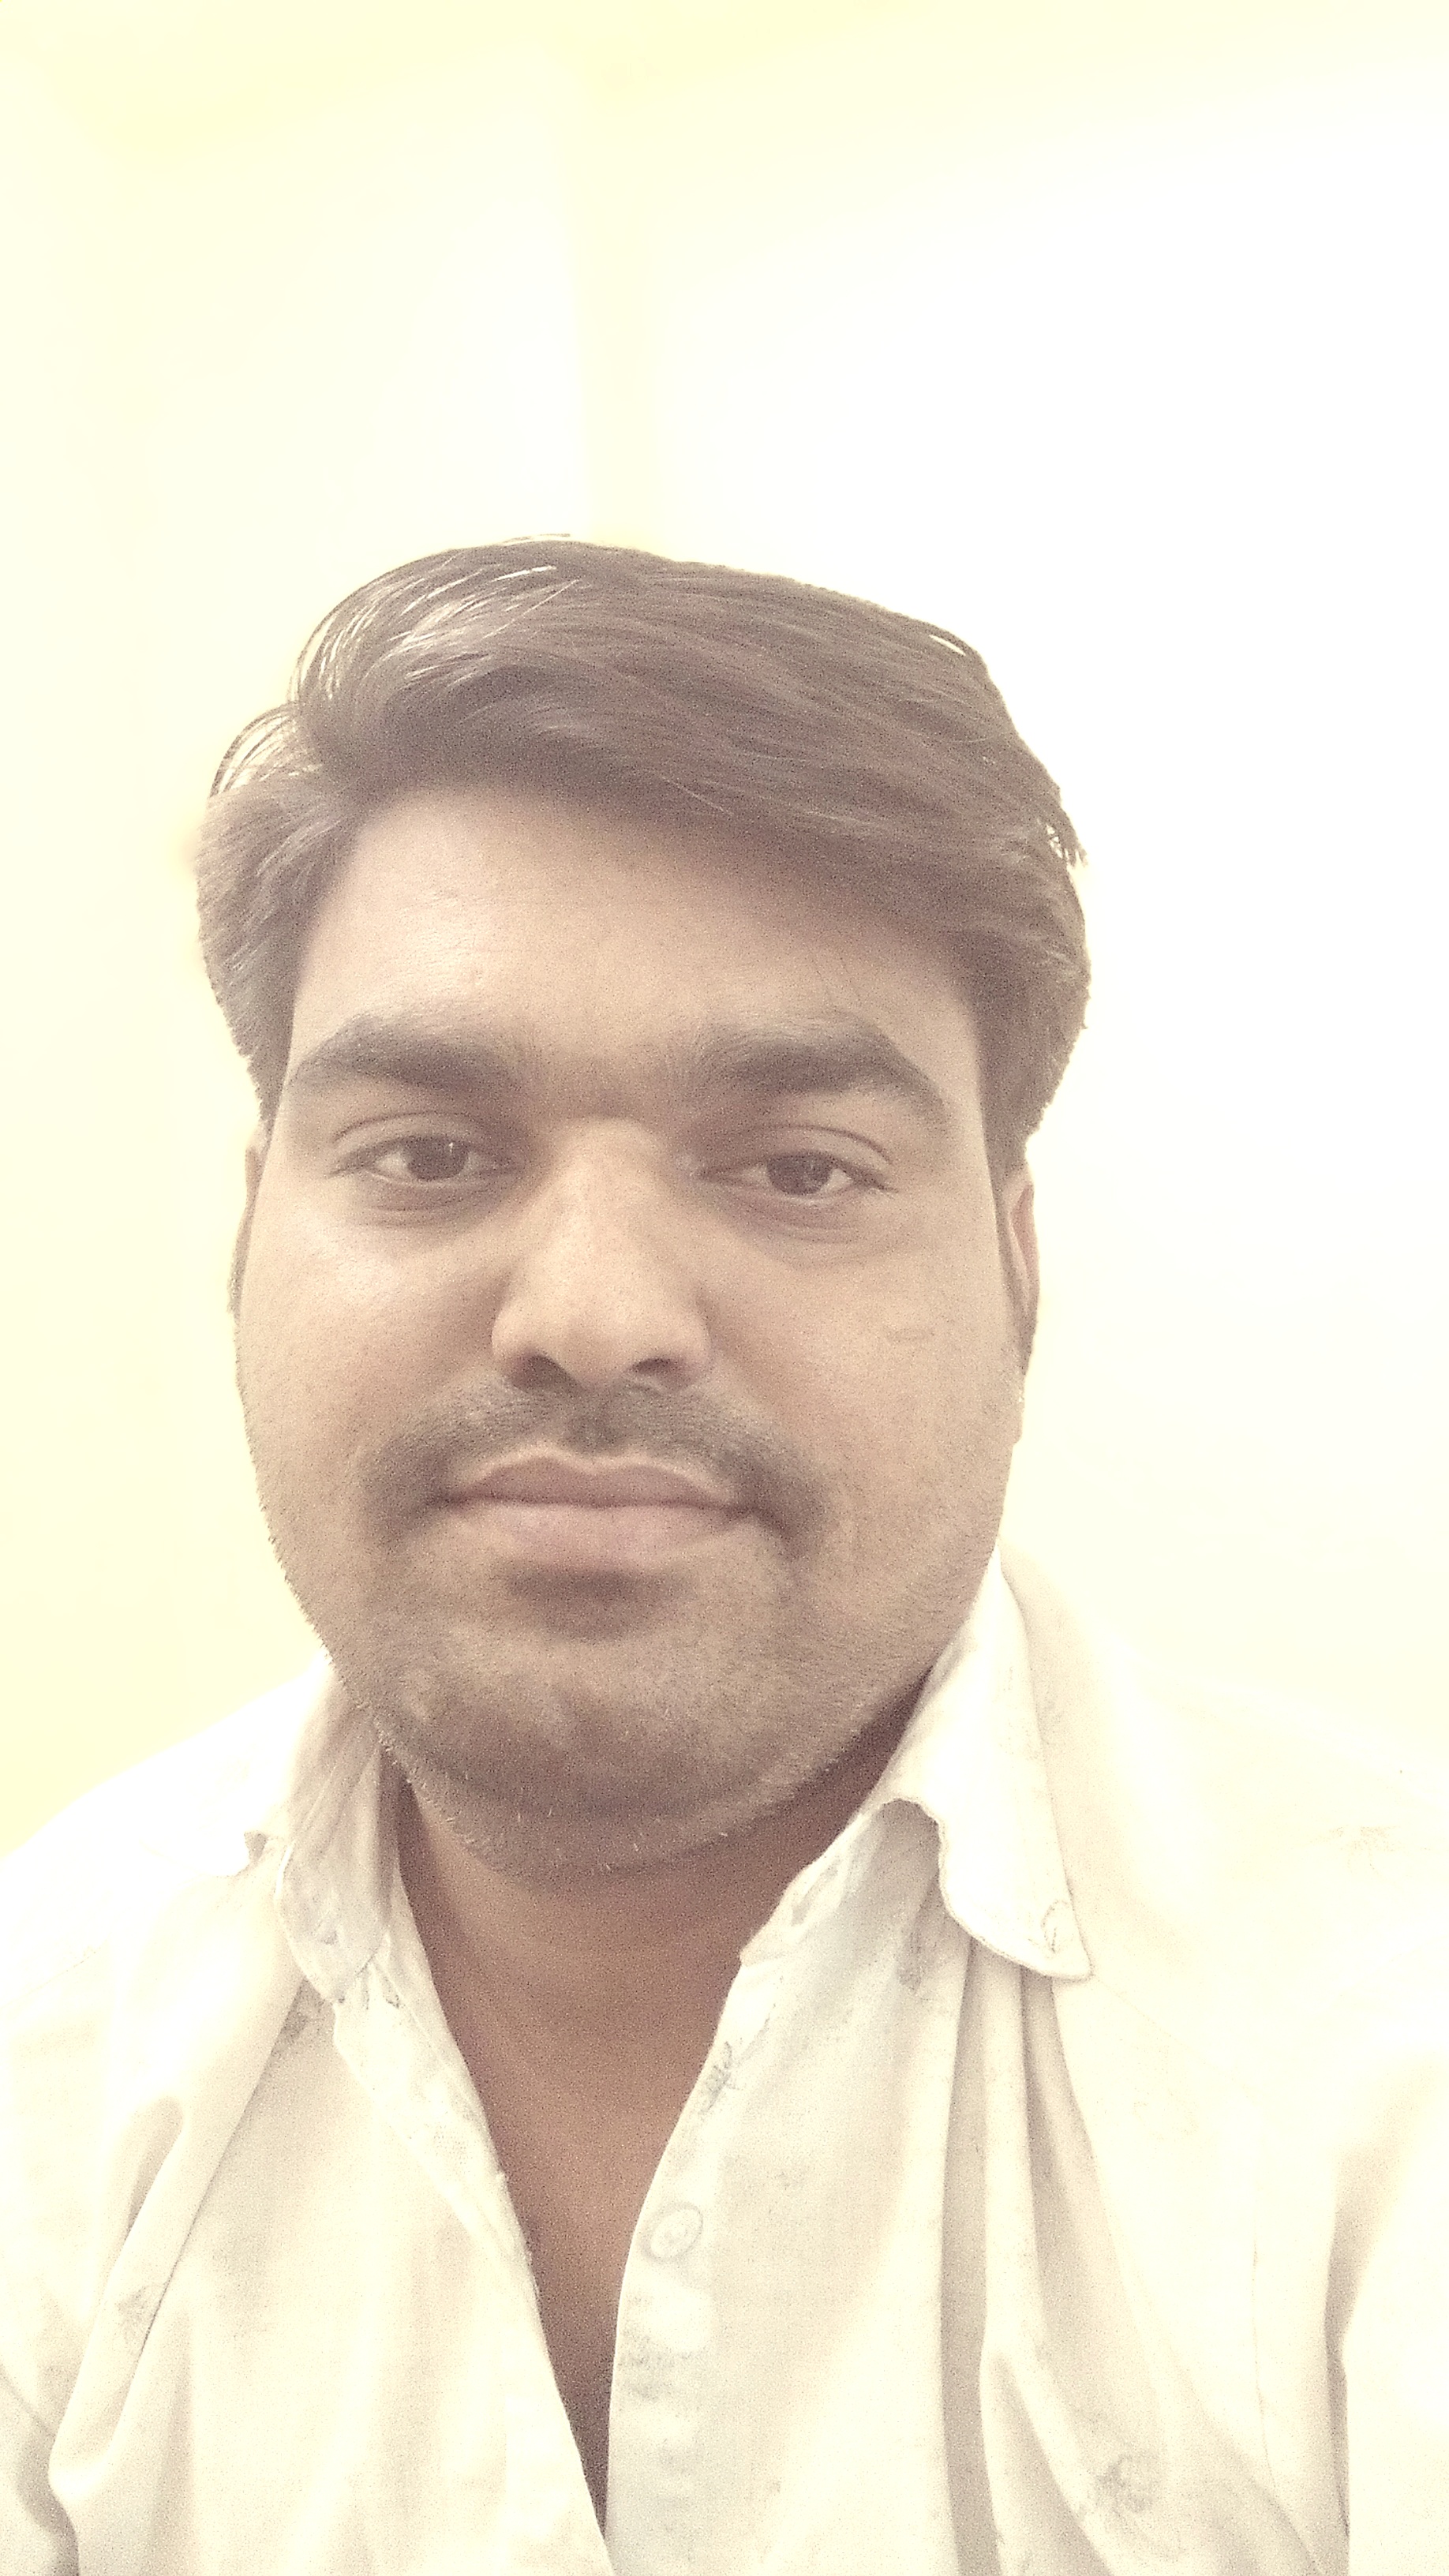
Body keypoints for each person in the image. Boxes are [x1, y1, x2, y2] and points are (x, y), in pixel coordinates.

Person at [1, 542, 1444, 2576]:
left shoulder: (1383, 2072)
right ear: (252, 1239)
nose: (592, 1315)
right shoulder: (47, 2056)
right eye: (430, 1155)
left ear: (1016, 1266)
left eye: (797, 1168)